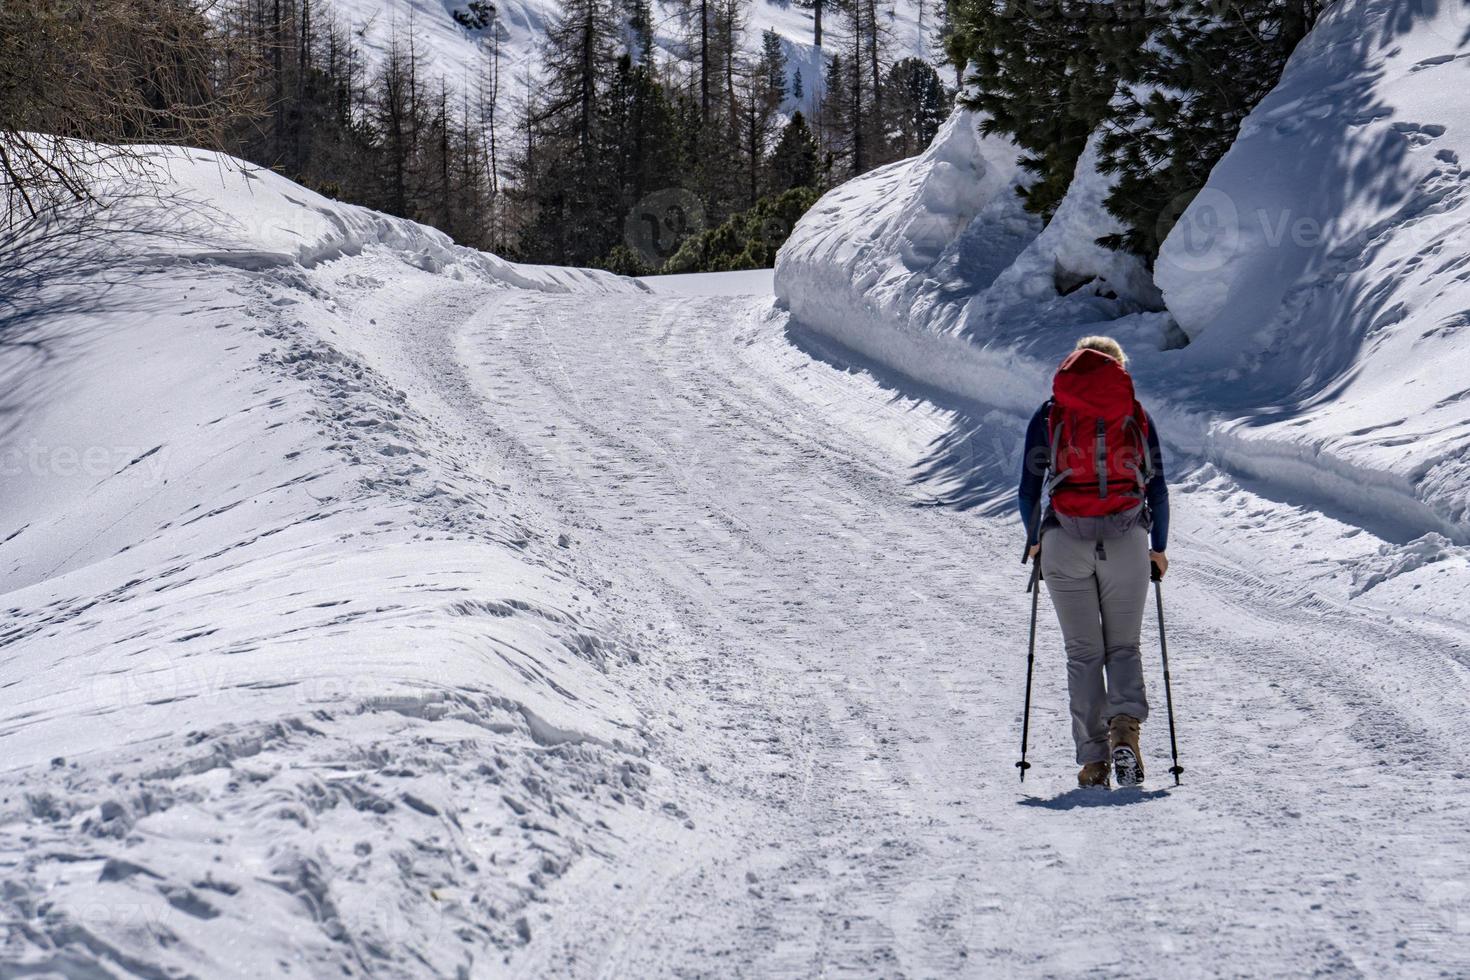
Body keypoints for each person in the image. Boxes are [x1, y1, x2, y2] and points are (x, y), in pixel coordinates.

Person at [1017, 336, 1169, 788]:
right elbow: (1157, 489)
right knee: (1123, 647)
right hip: (1126, 540)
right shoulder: (1135, 415)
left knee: (1082, 653)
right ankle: (1125, 731)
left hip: (1064, 540)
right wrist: (1157, 548)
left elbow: (1028, 488)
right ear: (1119, 371)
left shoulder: (1050, 415)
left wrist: (1034, 540)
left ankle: (1094, 762)